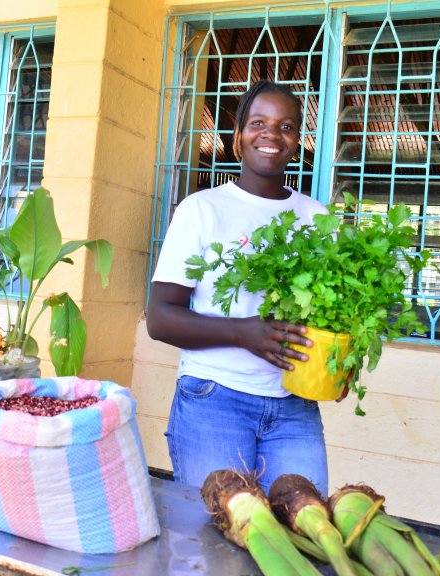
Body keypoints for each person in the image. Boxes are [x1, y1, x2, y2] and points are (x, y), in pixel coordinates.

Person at [147, 80, 341, 497]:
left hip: (294, 404)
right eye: (258, 123)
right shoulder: (202, 209)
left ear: (296, 139)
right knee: (217, 535)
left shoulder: (315, 216)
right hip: (214, 398)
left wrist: (342, 365)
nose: (271, 134)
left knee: (301, 529)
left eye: (286, 125)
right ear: (238, 137)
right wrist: (243, 331)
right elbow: (161, 318)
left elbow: (336, 312)